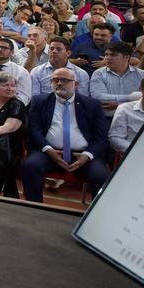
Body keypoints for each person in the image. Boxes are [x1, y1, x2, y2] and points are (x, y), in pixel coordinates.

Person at [23, 68, 111, 204]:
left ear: (76, 84)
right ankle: (34, 207)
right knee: (30, 166)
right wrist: (49, 150)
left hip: (83, 154)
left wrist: (87, 155)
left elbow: (101, 137)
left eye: (64, 80)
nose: (59, 83)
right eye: (55, 80)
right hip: (49, 152)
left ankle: (98, 214)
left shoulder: (92, 104)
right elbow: (34, 130)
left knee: (100, 175)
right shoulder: (39, 101)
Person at [88, 41, 144, 117]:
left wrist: (120, 105)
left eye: (113, 55)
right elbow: (99, 97)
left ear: (127, 57)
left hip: (135, 117)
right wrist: (131, 97)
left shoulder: (143, 75)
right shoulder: (99, 73)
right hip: (107, 118)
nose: (108, 58)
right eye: (106, 55)